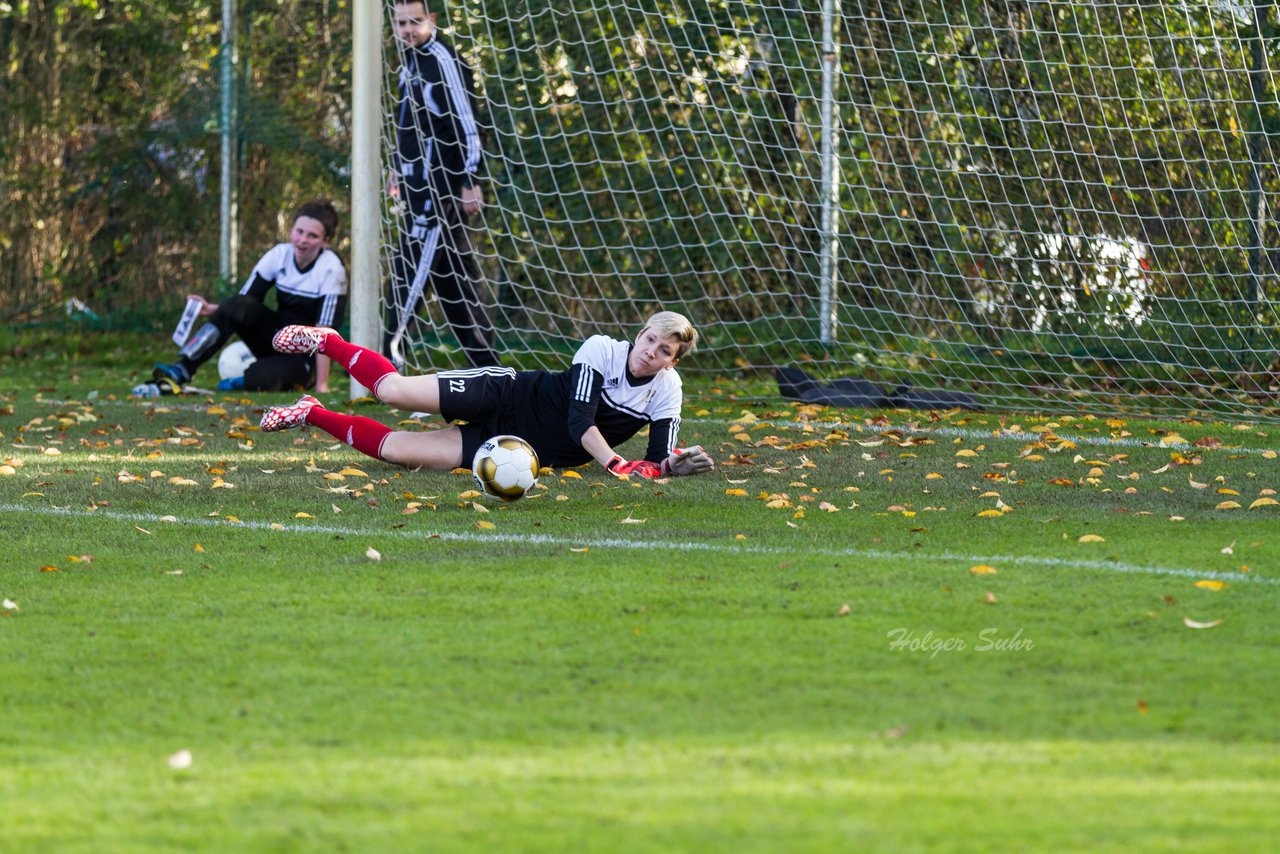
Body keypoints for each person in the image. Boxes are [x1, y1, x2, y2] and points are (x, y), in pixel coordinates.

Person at [259, 310, 715, 479]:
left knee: (398, 451)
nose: (652, 353)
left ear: (673, 362)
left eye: (665, 351)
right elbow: (581, 424)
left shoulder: (666, 391)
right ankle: (329, 342)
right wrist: (617, 463)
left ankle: (311, 413)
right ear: (639, 335)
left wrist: (671, 467)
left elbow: (657, 460)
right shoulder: (602, 350)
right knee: (394, 392)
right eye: (650, 340)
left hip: (517, 449)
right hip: (504, 395)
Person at [131, 200, 348, 398]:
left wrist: (322, 387)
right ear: (291, 230)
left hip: (304, 356)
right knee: (236, 303)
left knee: (264, 378)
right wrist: (215, 309)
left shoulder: (331, 269)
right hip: (276, 338)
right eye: (299, 232)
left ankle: (242, 381)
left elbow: (325, 335)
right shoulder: (279, 255)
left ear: (326, 241)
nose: (302, 240)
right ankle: (182, 370)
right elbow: (244, 303)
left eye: (312, 236)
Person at [387, 0, 500, 369]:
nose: (407, 29)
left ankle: (383, 363)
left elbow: (467, 123)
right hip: (417, 186)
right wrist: (397, 168)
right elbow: (411, 125)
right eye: (401, 22)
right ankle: (487, 367)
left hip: (440, 191)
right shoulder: (410, 60)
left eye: (415, 22)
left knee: (407, 276)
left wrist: (470, 180)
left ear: (432, 20)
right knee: (454, 284)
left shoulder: (443, 59)